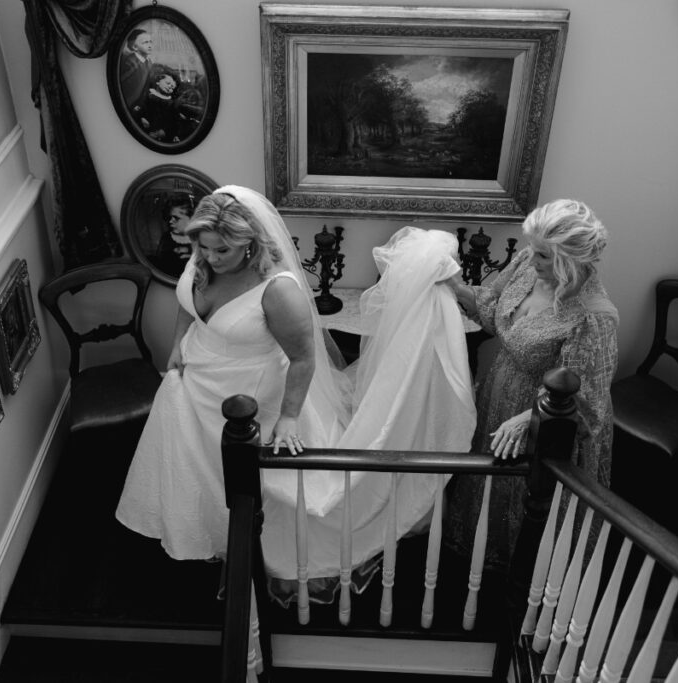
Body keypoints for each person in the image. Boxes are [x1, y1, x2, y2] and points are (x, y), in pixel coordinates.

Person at [116, 186, 476, 602]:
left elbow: (303, 359)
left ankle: (262, 553)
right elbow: (186, 302)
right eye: (203, 247)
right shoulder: (203, 259)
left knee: (265, 488)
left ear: (250, 245)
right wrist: (178, 343)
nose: (209, 258)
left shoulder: (277, 290)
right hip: (195, 390)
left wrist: (288, 418)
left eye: (221, 251)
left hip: (256, 400)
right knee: (198, 474)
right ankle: (209, 537)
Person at [441, 198, 619, 573]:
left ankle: (524, 575)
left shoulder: (593, 317)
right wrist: (455, 286)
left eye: (542, 255)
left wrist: (527, 420)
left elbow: (586, 400)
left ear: (568, 261)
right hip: (499, 387)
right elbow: (492, 311)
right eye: (532, 249)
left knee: (527, 498)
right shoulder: (527, 264)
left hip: (544, 421)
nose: (529, 258)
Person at [153, 193, 194, 278]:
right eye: (169, 217)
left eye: (176, 218)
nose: (171, 221)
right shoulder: (167, 238)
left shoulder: (201, 238)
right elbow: (161, 266)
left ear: (191, 219)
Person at [118, 28, 155, 116]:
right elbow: (122, 84)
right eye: (145, 42)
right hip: (126, 102)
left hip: (136, 103)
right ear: (134, 47)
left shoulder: (148, 62)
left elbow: (145, 86)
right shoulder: (130, 62)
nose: (149, 45)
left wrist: (139, 103)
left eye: (150, 42)